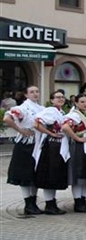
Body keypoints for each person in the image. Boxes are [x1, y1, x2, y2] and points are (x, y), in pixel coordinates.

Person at [4, 86, 44, 215]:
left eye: (37, 91)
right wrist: (20, 130)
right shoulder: (22, 108)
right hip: (27, 143)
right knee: (26, 174)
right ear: (26, 95)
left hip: (39, 142)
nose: (35, 94)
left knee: (35, 173)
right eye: (32, 92)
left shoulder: (42, 109)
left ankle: (33, 202)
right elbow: (7, 118)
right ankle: (28, 203)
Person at [62, 93, 86, 213]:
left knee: (85, 174)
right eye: (82, 102)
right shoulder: (74, 115)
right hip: (79, 147)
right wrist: (77, 138)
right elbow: (65, 127)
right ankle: (78, 202)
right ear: (76, 103)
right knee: (79, 174)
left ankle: (83, 200)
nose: (85, 104)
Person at [33, 91, 68, 215]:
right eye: (58, 97)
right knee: (49, 175)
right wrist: (51, 133)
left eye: (62, 97)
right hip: (51, 146)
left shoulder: (61, 112)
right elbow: (36, 123)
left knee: (54, 176)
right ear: (52, 100)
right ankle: (49, 204)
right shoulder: (50, 111)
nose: (61, 99)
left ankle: (52, 203)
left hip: (58, 147)